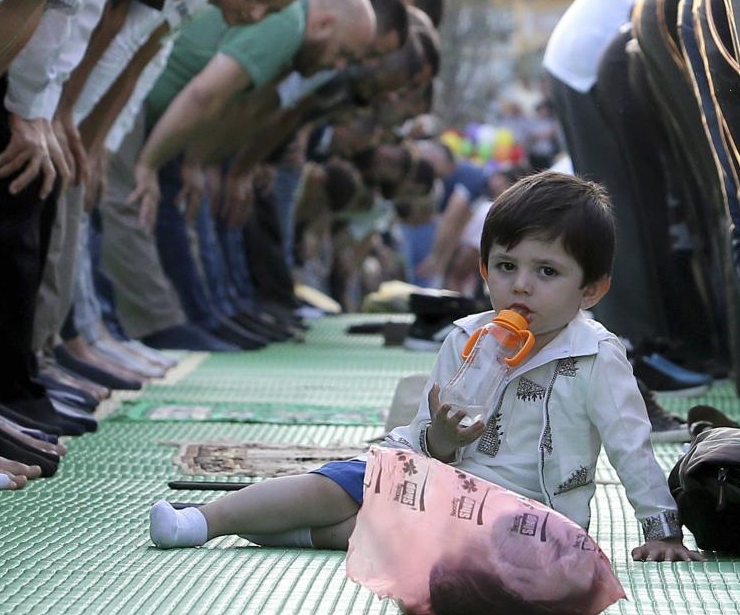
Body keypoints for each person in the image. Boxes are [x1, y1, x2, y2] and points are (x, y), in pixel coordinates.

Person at [146, 171, 700, 562]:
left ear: (592, 289)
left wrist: (662, 530)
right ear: (484, 270)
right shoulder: (465, 336)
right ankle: (205, 520)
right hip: (432, 474)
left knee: (382, 526)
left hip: (520, 516)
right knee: (349, 478)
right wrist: (436, 438)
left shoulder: (596, 356)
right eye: (506, 266)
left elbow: (633, 446)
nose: (521, 284)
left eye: (547, 271)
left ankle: (289, 531)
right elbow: (424, 439)